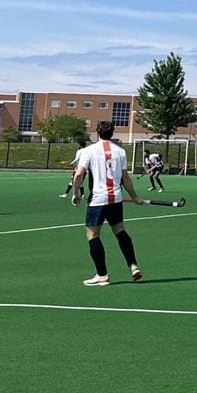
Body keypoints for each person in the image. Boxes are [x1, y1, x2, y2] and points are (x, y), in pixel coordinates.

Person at [70, 120, 142, 287]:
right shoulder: (120, 152)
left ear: (97, 132)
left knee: (93, 235)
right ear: (113, 133)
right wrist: (135, 196)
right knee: (120, 231)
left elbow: (79, 174)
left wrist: (75, 193)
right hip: (116, 198)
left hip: (98, 200)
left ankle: (102, 275)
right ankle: (133, 265)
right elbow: (126, 178)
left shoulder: (88, 151)